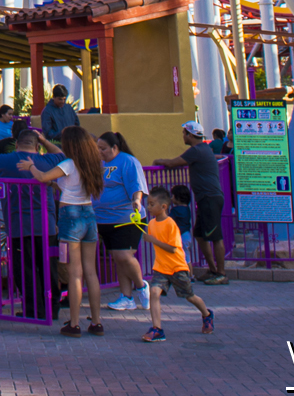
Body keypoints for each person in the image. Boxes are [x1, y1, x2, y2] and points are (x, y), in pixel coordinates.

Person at [18, 125, 105, 336]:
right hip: (88, 214)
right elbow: (71, 184)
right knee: (90, 272)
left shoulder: (68, 164)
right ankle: (96, 321)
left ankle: (74, 324)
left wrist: (30, 166)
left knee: (75, 273)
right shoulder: (92, 164)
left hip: (70, 216)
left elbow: (42, 177)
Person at [0, 130, 61, 320]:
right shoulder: (46, 161)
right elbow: (62, 156)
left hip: (19, 225)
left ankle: (34, 310)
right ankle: (52, 308)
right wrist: (45, 140)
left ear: (16, 145)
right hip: (46, 224)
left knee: (26, 269)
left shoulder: (5, 161)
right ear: (37, 146)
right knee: (49, 267)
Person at [156, 122, 227, 283]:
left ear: (189, 134)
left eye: (184, 133)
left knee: (215, 236)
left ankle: (221, 273)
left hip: (210, 198)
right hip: (206, 198)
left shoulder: (196, 150)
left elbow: (173, 162)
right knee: (200, 235)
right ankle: (213, 269)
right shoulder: (203, 150)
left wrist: (159, 160)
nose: (182, 136)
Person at [140, 188, 213, 342]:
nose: (149, 207)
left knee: (190, 296)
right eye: (148, 204)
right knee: (154, 292)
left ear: (164, 207)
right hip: (161, 268)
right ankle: (157, 329)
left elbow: (173, 248)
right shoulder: (152, 223)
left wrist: (153, 241)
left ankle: (206, 314)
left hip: (177, 267)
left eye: (152, 204)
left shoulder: (171, 224)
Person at [94, 131, 147, 312]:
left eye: (103, 149)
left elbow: (136, 185)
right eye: (98, 149)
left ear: (115, 147)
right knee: (118, 258)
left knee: (124, 256)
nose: (100, 152)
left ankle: (141, 286)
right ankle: (126, 297)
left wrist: (137, 200)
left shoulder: (128, 161)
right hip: (103, 218)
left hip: (126, 217)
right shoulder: (99, 163)